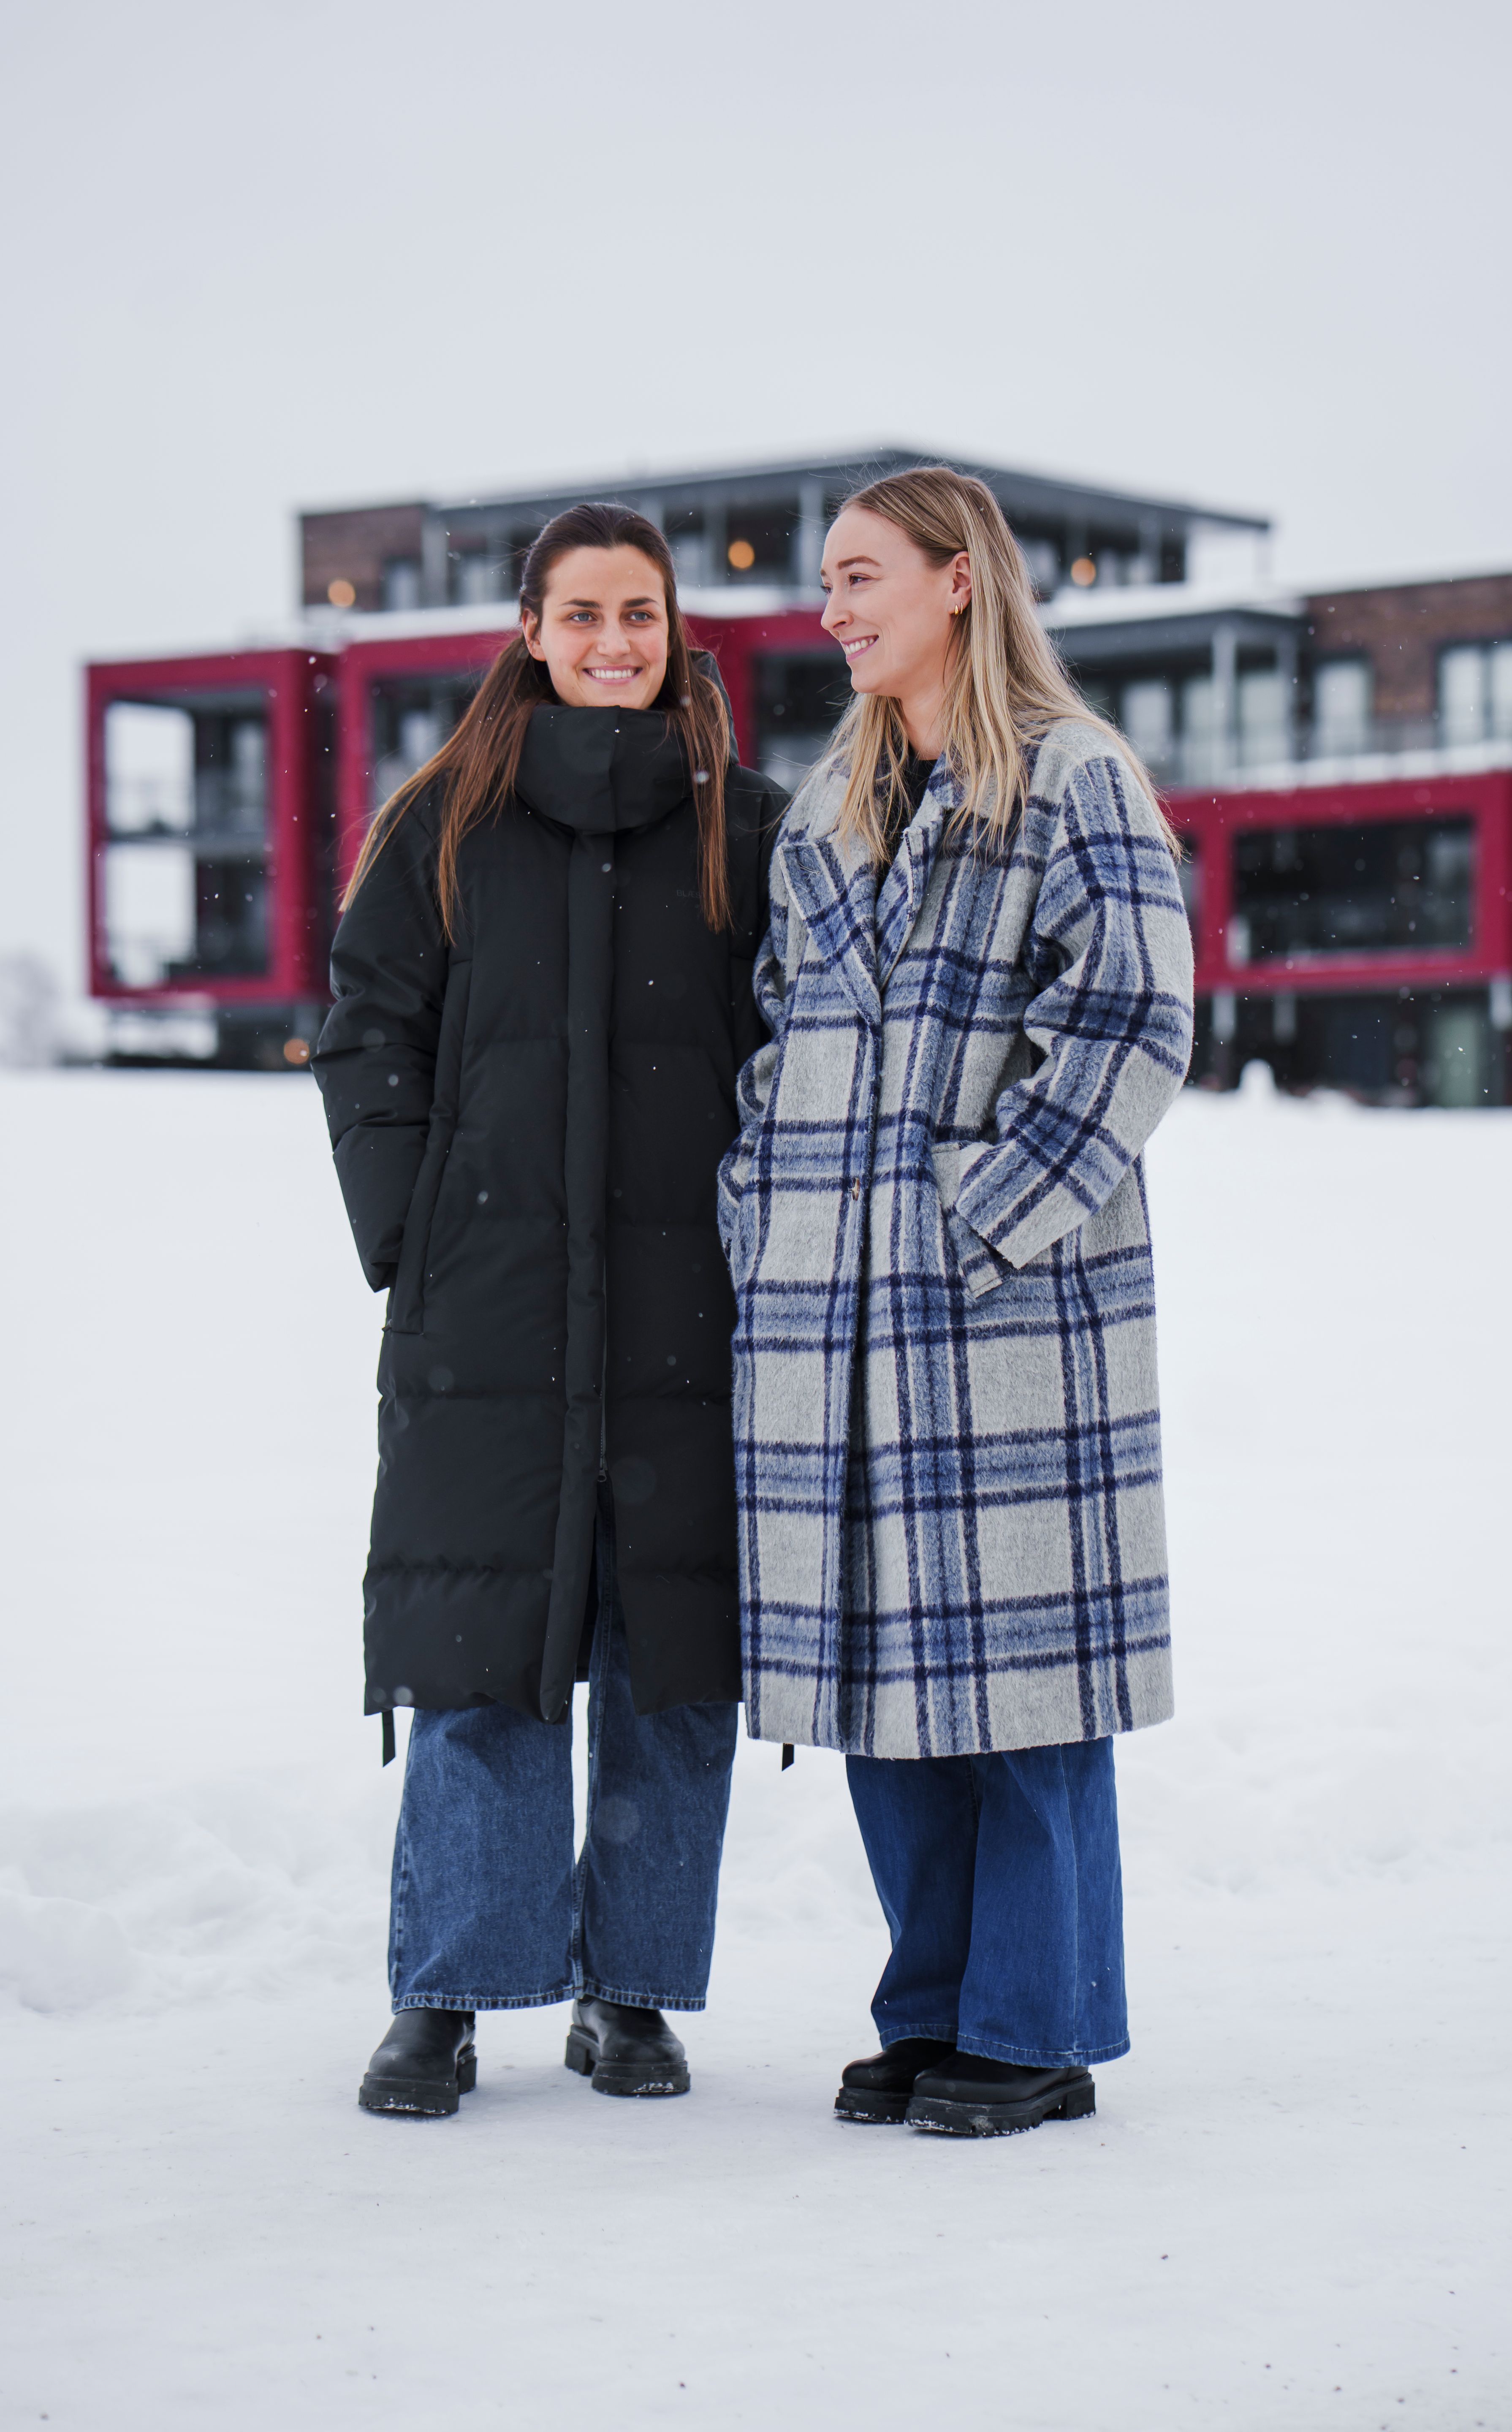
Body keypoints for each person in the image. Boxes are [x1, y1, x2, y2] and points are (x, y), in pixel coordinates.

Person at [719, 467, 1194, 2136]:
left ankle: (1034, 2025)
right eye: (826, 582)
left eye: (860, 576)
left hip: (1004, 1316)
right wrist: (767, 1214)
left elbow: (1133, 1025)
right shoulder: (825, 816)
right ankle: (933, 2009)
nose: (831, 609)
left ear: (959, 582)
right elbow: (774, 1046)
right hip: (827, 1318)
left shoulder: (1073, 780)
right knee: (887, 1680)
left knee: (1024, 1685)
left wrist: (971, 1227)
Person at [313, 502, 785, 2117]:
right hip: (490, 1308)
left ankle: (632, 1992)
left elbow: (794, 1054)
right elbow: (366, 1032)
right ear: (530, 631)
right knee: (484, 1641)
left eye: (638, 613)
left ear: (674, 629)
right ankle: (445, 1993)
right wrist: (418, 1232)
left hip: (691, 1308)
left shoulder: (748, 830)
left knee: (671, 1652)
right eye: (580, 614)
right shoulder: (443, 821)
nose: (612, 642)